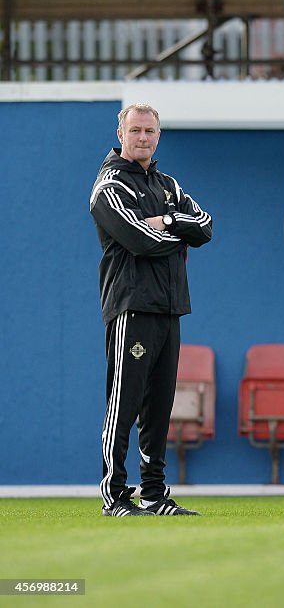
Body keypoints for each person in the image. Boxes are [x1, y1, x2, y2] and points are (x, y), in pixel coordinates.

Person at [89, 103, 213, 517]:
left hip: (170, 307)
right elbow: (140, 239)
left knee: (159, 407)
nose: (143, 137)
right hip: (131, 306)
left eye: (151, 131)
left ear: (158, 136)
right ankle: (115, 496)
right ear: (120, 133)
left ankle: (155, 495)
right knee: (124, 401)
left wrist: (168, 221)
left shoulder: (167, 184)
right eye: (136, 130)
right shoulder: (109, 187)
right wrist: (179, 233)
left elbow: (206, 226)